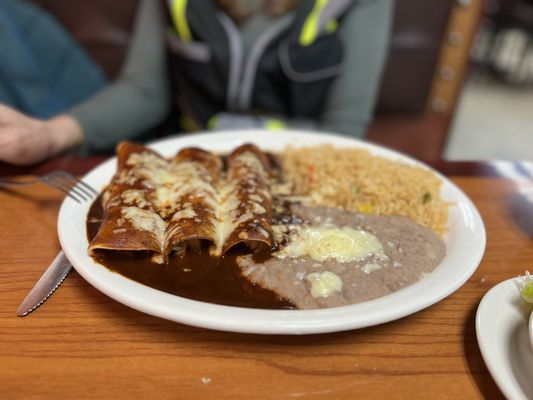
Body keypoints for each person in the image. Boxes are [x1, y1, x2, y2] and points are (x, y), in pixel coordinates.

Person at [0, 0, 392, 165]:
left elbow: (344, 126)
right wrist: (51, 135)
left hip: (300, 165)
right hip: (188, 159)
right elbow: (144, 90)